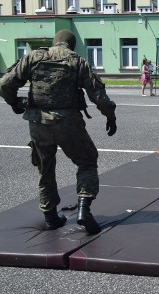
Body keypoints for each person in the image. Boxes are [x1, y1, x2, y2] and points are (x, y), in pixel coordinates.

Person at [0, 29, 117, 234]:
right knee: (87, 161)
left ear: (54, 42)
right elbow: (98, 95)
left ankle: (51, 217)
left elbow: (5, 84)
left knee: (45, 167)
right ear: (71, 45)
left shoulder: (34, 57)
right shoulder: (77, 61)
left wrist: (15, 104)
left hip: (38, 122)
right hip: (68, 122)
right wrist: (110, 116)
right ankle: (84, 209)